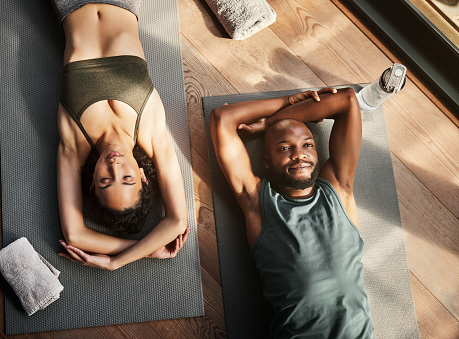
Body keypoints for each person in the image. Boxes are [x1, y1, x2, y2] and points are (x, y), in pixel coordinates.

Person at [210, 87, 374, 338]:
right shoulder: (258, 202)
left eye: (307, 145)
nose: (299, 155)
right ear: (266, 162)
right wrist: (286, 101)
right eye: (285, 148)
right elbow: (223, 118)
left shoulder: (339, 189)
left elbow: (347, 100)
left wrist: (270, 122)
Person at [54, 1, 189, 270]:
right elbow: (177, 222)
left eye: (105, 181)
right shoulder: (152, 134)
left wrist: (116, 261)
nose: (114, 167)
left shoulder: (74, 144)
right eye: (127, 178)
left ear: (91, 182)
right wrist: (138, 254)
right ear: (142, 175)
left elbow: (74, 235)